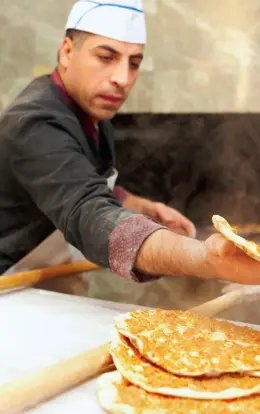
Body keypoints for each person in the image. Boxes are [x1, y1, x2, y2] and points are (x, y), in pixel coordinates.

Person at [0, 0, 259, 288]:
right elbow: (89, 212)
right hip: (9, 290)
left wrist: (139, 206)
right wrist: (206, 258)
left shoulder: (93, 114)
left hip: (42, 280)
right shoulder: (34, 123)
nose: (122, 79)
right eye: (106, 57)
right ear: (67, 52)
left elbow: (82, 178)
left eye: (134, 63)